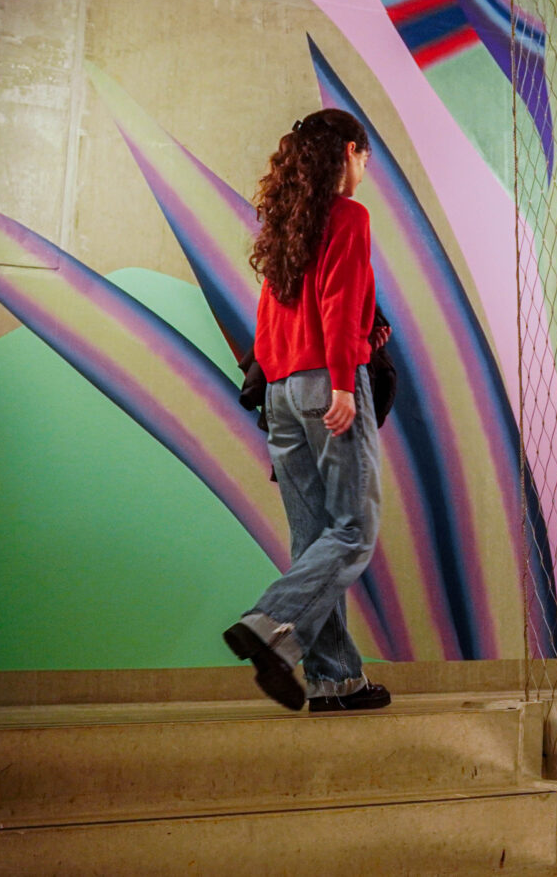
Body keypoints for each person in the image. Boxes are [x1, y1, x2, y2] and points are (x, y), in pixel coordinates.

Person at [223, 108, 392, 713]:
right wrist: (345, 383)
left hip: (281, 390)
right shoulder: (348, 216)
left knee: (314, 536)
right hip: (328, 388)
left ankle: (333, 679)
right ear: (350, 151)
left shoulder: (287, 225)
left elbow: (268, 325)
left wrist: (278, 401)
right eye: (365, 157)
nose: (365, 170)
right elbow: (340, 303)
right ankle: (272, 620)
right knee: (354, 529)